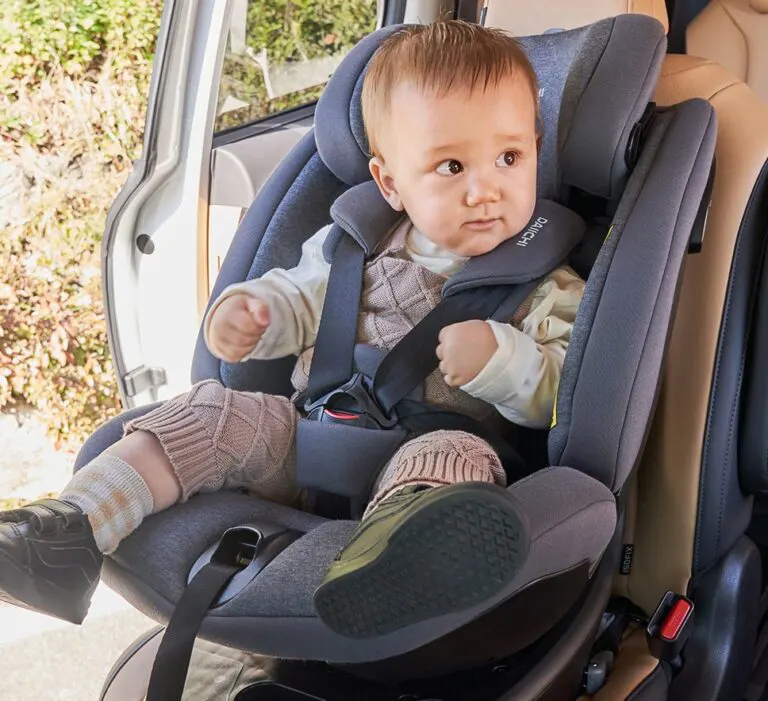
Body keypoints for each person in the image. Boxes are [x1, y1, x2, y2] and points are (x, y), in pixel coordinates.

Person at [0, 20, 584, 637]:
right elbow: (297, 301)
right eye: (450, 166)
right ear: (389, 183)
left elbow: (562, 397)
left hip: (424, 453)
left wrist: (505, 361)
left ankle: (392, 569)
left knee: (455, 461)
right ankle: (68, 535)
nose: (485, 189)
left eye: (510, 157)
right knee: (210, 412)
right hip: (306, 432)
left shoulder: (545, 281)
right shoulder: (352, 246)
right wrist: (256, 315)